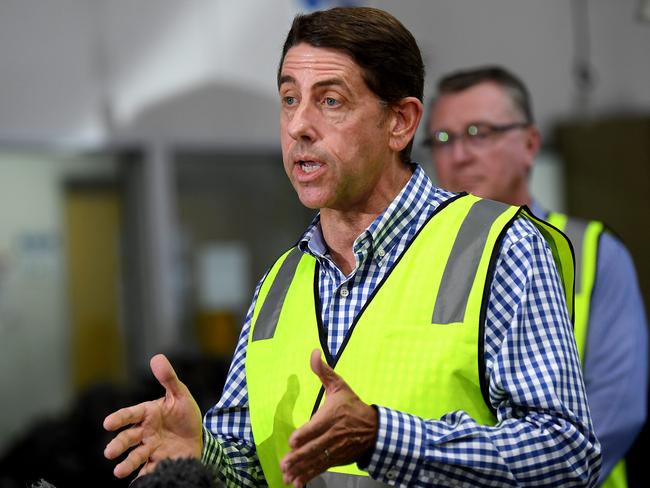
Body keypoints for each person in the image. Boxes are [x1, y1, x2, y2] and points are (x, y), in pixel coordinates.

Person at [104, 8, 601, 487]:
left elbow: (565, 455)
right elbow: (260, 470)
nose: (299, 125)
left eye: (331, 101)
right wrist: (203, 453)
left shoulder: (500, 248)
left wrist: (385, 438)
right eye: (289, 99)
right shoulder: (278, 286)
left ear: (401, 123)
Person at [426, 65, 648, 487]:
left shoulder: (593, 253)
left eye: (479, 133)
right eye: (443, 139)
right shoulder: (422, 263)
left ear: (529, 144)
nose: (459, 155)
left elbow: (616, 410)